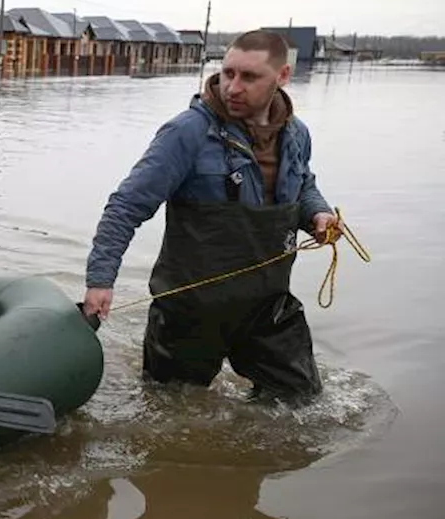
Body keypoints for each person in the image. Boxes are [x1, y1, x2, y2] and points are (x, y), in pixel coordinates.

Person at [82, 29, 338, 404]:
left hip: (267, 305)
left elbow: (303, 187)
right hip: (190, 310)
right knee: (170, 413)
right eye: (228, 72)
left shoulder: (297, 135)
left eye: (249, 77)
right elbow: (125, 207)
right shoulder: (187, 133)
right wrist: (100, 281)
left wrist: (318, 214)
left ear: (282, 76)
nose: (233, 87)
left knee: (301, 402)